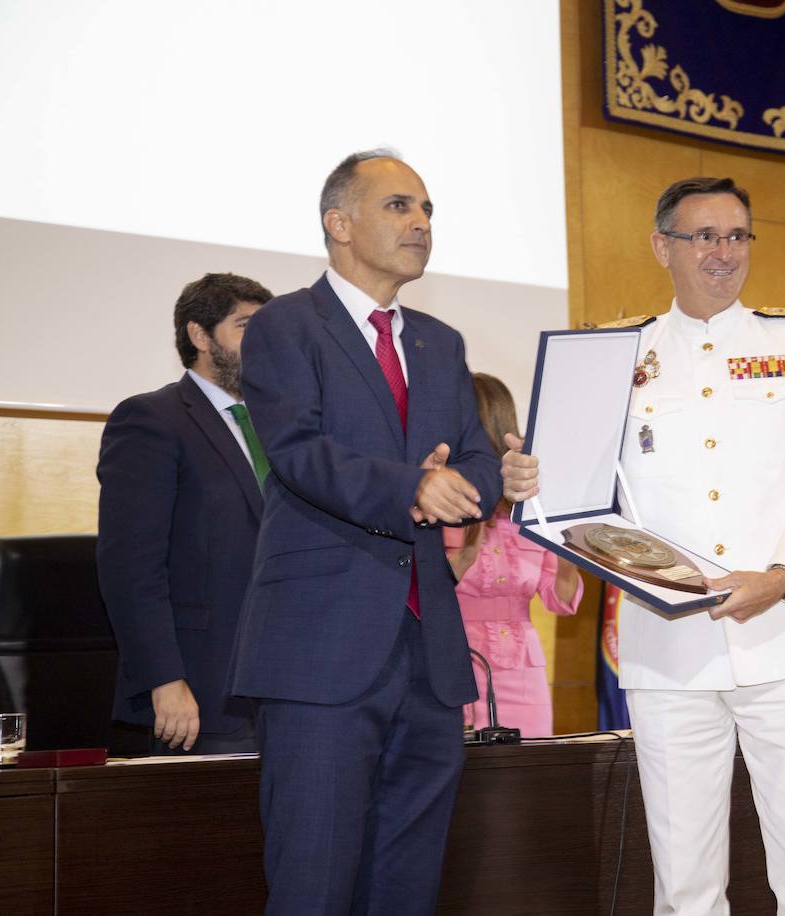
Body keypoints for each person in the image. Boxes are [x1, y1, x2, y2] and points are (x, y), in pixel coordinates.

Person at [503, 176, 785, 914]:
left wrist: (781, 575)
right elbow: (572, 498)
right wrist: (528, 480)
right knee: (686, 883)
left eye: (737, 235)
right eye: (704, 236)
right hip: (668, 651)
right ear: (662, 246)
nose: (724, 252)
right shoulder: (615, 353)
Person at [231, 149, 501, 914]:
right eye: (399, 207)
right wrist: (414, 485)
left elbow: (474, 456)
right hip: (321, 650)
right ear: (338, 222)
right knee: (313, 878)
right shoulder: (286, 325)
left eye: (427, 211)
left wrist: (471, 485)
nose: (420, 223)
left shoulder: (439, 342)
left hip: (429, 654)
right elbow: (299, 451)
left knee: (408, 884)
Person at [97, 272, 273, 754]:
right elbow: (130, 566)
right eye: (245, 326)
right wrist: (164, 678)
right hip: (201, 688)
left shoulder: (284, 428)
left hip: (290, 684)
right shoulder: (151, 420)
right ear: (199, 335)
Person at [443, 372, 582, 735]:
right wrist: (471, 534)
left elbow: (560, 600)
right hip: (454, 661)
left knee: (527, 779)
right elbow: (432, 585)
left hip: (524, 671)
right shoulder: (439, 498)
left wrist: (568, 538)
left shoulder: (531, 506)